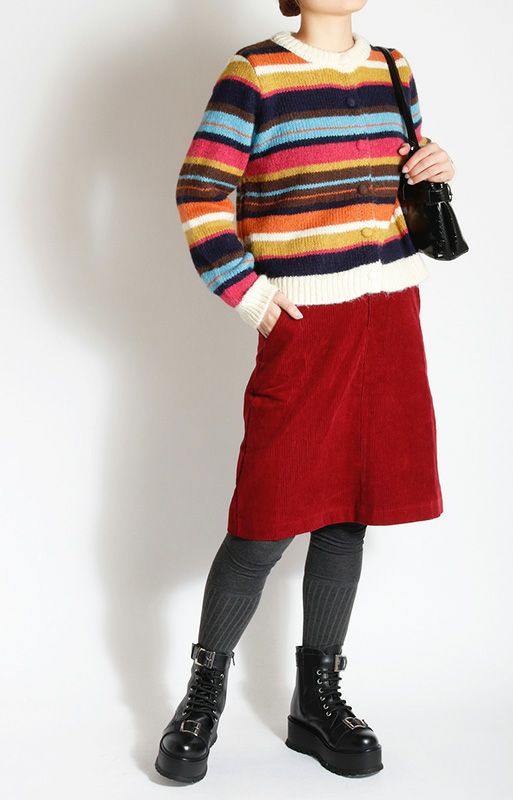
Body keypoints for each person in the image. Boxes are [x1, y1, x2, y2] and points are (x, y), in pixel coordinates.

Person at [155, 0, 454, 783]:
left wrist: (434, 169)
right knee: (265, 519)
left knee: (352, 509)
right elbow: (199, 191)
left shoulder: (393, 68)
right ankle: (204, 691)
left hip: (391, 317)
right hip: (305, 326)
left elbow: (400, 190)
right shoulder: (255, 72)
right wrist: (250, 295)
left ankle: (315, 700)